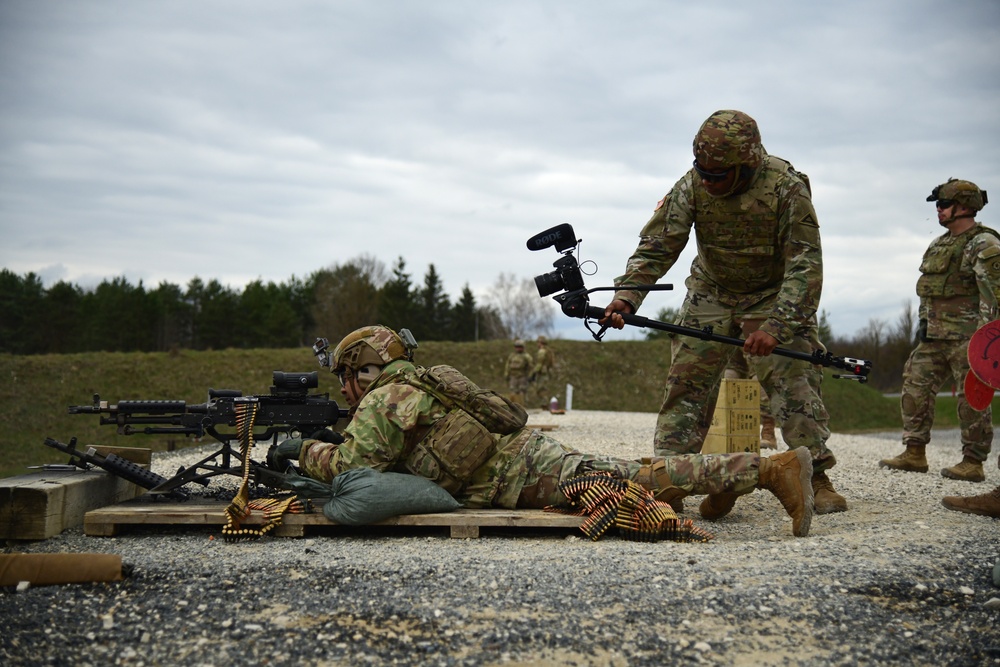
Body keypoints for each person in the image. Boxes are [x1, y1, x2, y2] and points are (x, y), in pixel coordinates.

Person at [270, 325, 816, 537]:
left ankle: (769, 469)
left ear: (362, 370)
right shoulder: (424, 379)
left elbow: (351, 472)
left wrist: (305, 450)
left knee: (634, 478)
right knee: (631, 476)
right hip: (527, 455)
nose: (345, 388)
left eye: (347, 375)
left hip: (519, 477)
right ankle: (734, 475)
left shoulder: (383, 401)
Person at [601, 109, 846, 519]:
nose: (708, 180)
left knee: (794, 382)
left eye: (718, 174)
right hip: (711, 292)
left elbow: (806, 265)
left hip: (772, 294)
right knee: (686, 383)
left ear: (746, 165)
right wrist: (628, 295)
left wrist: (778, 325)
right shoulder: (693, 184)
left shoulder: (786, 188)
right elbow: (659, 244)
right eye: (703, 171)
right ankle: (669, 479)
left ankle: (816, 475)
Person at [879, 179, 999, 482]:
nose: (938, 210)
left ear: (963, 207)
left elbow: (994, 293)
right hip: (934, 336)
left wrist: (986, 340)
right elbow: (928, 291)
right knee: (914, 385)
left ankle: (973, 462)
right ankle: (914, 452)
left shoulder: (984, 244)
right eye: (938, 205)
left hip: (969, 338)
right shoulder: (939, 244)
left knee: (972, 397)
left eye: (943, 204)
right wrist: (922, 323)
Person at [724, 348, 778, 449]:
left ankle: (768, 432)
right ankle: (734, 435)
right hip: (733, 337)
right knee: (730, 376)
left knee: (759, 377)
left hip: (755, 336)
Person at [503, 339, 533, 406]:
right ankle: (513, 406)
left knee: (522, 392)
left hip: (522, 376)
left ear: (523, 347)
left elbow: (531, 367)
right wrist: (506, 374)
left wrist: (530, 376)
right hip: (513, 376)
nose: (518, 348)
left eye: (520, 347)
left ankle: (522, 406)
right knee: (513, 391)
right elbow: (508, 365)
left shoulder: (526, 356)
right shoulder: (512, 355)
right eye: (517, 347)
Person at [531, 335, 557, 409]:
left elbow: (539, 363)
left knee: (541, 389)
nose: (537, 344)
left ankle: (544, 405)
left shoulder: (542, 351)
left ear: (540, 342)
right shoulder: (548, 351)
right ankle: (544, 404)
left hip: (542, 373)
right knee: (543, 388)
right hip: (546, 372)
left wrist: (534, 373)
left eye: (538, 342)